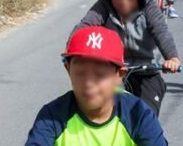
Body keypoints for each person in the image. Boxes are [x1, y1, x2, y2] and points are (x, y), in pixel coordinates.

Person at [26, 26, 168, 146]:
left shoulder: (138, 115)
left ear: (119, 75)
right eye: (80, 72)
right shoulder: (52, 116)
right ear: (68, 69)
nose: (88, 83)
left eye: (100, 74)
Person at [71, 0, 181, 116]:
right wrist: (72, 49)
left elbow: (161, 32)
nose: (123, 0)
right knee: (99, 109)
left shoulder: (149, 8)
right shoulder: (104, 7)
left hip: (147, 71)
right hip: (114, 72)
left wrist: (172, 58)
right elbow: (85, 26)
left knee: (147, 117)